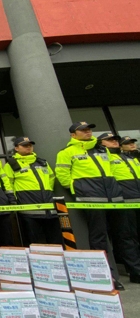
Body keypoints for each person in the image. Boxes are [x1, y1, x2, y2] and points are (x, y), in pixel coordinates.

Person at [55, 122, 125, 290]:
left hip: (114, 199)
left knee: (122, 235)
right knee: (98, 237)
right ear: (73, 134)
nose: (87, 132)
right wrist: (78, 189)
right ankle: (107, 276)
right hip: (91, 199)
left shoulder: (103, 150)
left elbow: (112, 172)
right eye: (83, 130)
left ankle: (122, 271)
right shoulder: (67, 152)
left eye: (89, 129)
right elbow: (63, 175)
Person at [97, 133, 140, 284]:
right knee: (127, 236)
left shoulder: (131, 158)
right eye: (110, 140)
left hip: (138, 201)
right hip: (124, 202)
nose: (114, 142)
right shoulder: (105, 158)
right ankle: (135, 271)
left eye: (115, 139)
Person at [4, 137, 63, 246]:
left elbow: (51, 178)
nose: (28, 147)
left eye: (30, 145)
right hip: (29, 209)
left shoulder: (42, 162)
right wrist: (14, 200)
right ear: (16, 148)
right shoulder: (12, 164)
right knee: (33, 242)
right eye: (24, 145)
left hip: (50, 209)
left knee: (56, 242)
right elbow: (8, 184)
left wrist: (47, 192)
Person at [120, 136, 140, 244]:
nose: (132, 144)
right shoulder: (118, 158)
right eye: (128, 143)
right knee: (131, 231)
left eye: (133, 142)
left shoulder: (136, 158)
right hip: (128, 200)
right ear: (121, 147)